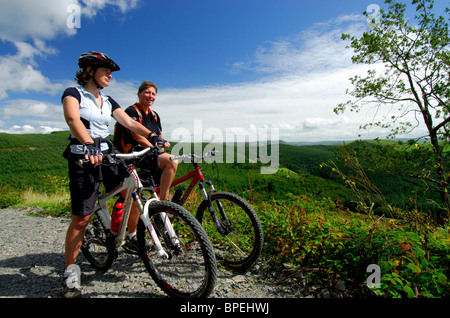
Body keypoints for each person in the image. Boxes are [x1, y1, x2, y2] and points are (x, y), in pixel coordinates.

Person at [61, 51, 154, 298]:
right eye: (105, 71)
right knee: (81, 218)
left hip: (108, 154)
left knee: (132, 188)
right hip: (84, 156)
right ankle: (71, 271)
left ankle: (128, 233)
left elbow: (130, 123)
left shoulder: (109, 100)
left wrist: (153, 136)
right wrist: (89, 142)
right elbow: (72, 119)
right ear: (89, 71)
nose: (110, 76)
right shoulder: (74, 93)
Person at [114, 81, 178, 203]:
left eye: (153, 94)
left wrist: (162, 147)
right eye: (147, 92)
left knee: (168, 166)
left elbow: (160, 136)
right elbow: (138, 137)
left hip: (150, 154)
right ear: (139, 93)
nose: (151, 96)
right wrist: (157, 151)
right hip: (135, 154)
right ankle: (164, 202)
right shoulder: (132, 111)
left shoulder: (154, 115)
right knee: (172, 160)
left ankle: (157, 203)